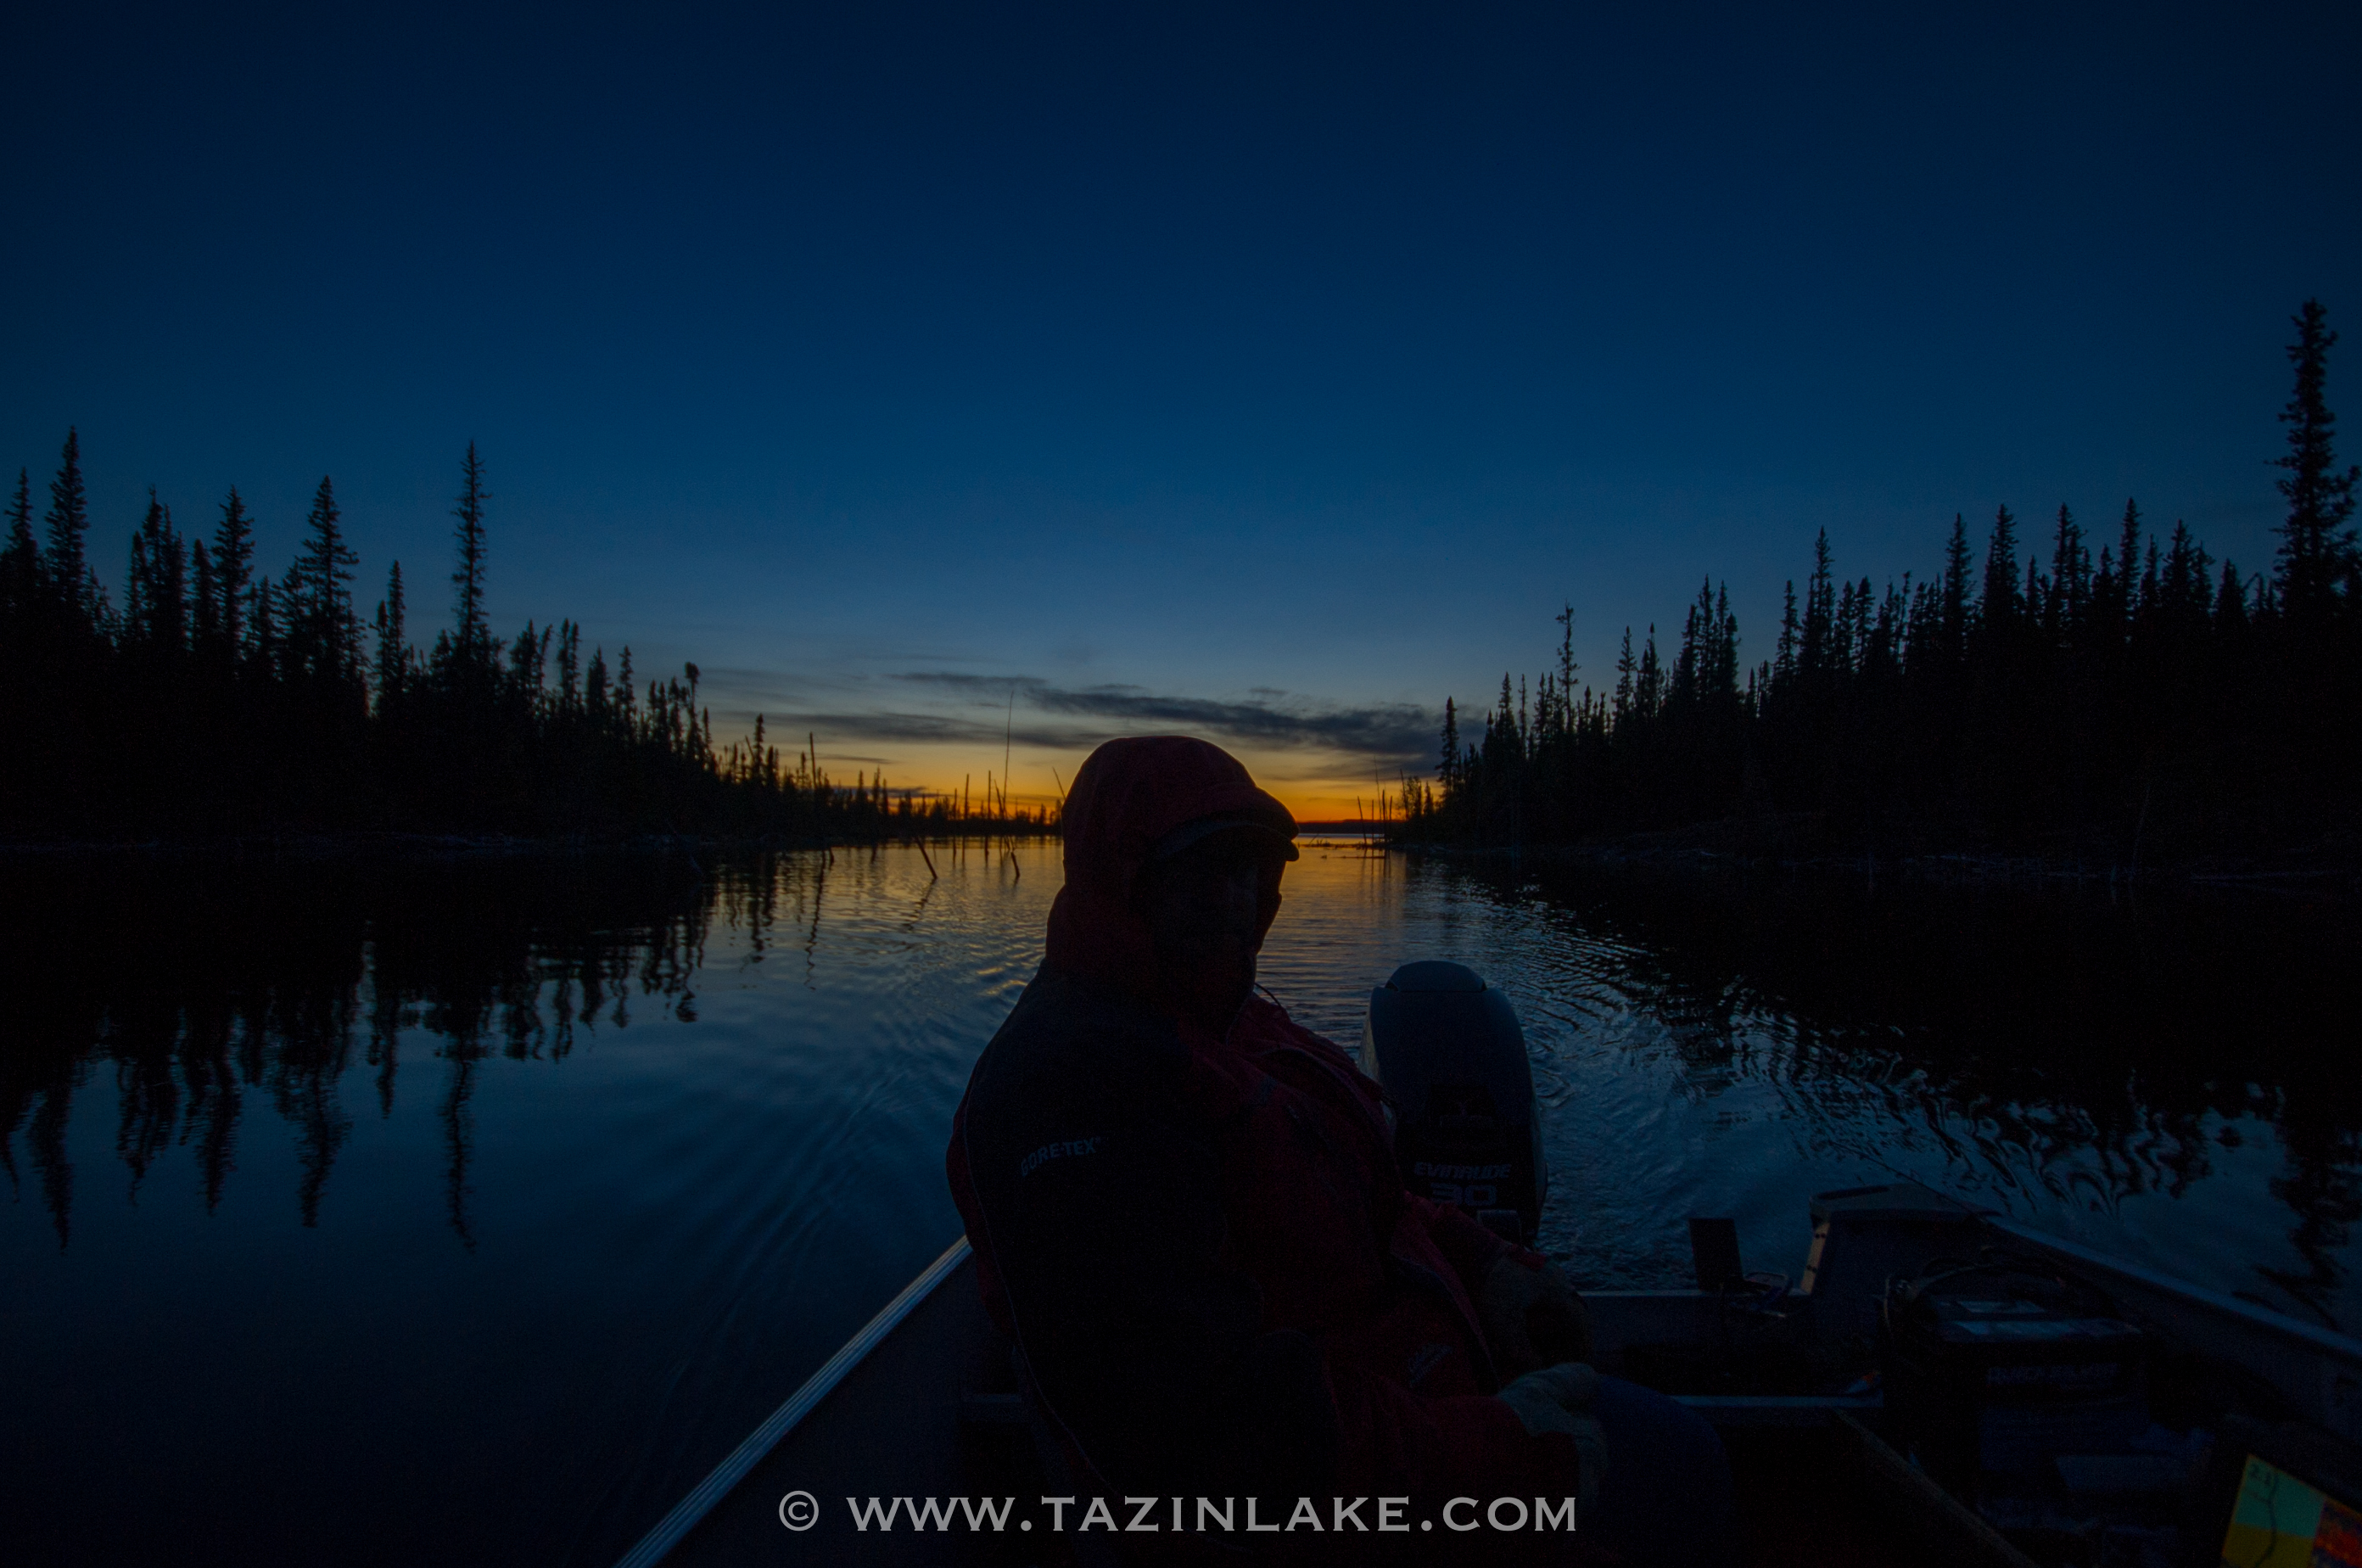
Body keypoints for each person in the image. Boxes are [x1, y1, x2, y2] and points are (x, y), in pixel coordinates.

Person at [947, 736, 1732, 1561]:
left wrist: (1483, 1262)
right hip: (1352, 1497)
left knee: (1679, 1455)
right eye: (1203, 869)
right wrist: (1497, 1455)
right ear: (1125, 878)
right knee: (1683, 1472)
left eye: (1249, 867)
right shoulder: (1070, 1088)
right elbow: (1202, 1437)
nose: (1236, 897)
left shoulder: (1216, 1017)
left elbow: (1352, 1190)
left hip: (1424, 1397)